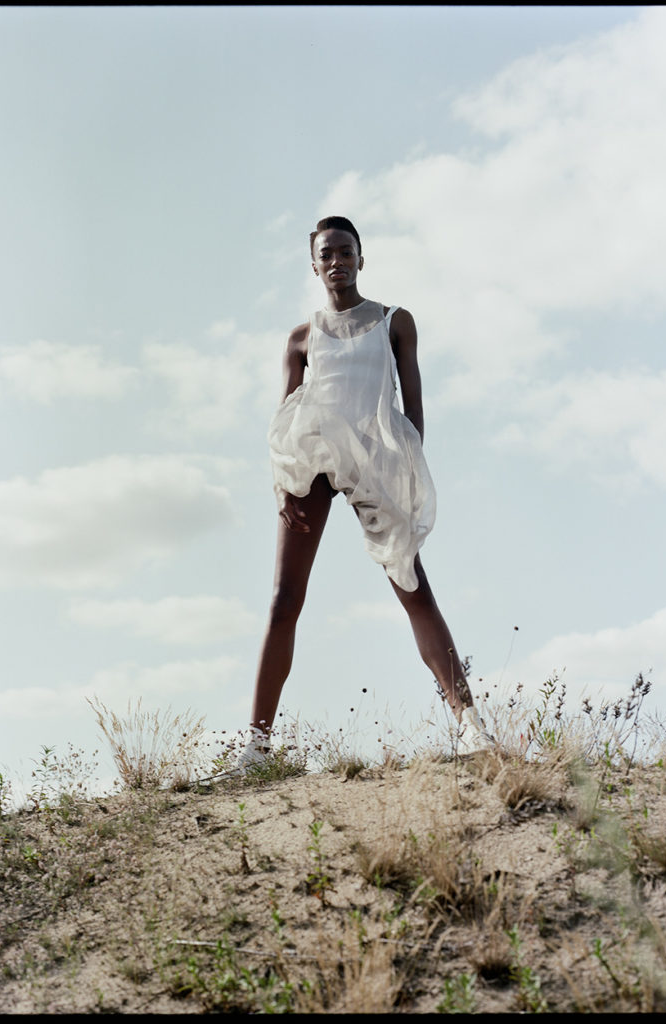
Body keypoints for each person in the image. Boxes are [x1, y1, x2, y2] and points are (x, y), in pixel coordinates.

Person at [230, 216, 495, 773]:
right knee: (284, 599)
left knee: (414, 588)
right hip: (312, 462)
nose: (337, 261)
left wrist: (407, 469)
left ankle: (472, 727)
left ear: (361, 258)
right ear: (314, 265)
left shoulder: (395, 322)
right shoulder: (301, 337)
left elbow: (413, 407)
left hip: (377, 464)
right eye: (326, 254)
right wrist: (281, 484)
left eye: (345, 251)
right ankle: (256, 748)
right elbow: (285, 417)